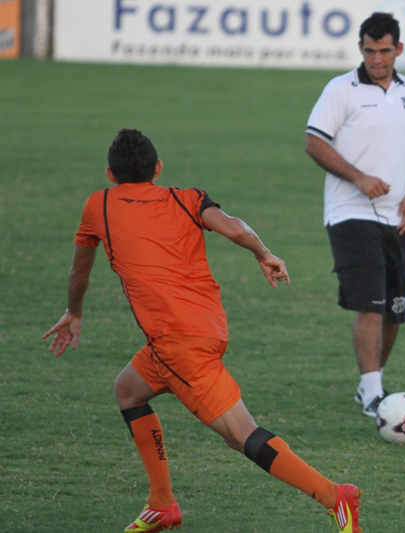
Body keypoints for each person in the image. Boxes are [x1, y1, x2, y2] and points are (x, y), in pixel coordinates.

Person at [42, 129, 362, 533]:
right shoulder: (186, 197)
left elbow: (78, 270)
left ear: (109, 174)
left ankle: (336, 497)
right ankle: (160, 503)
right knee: (128, 390)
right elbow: (234, 227)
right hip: (203, 329)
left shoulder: (98, 205)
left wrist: (74, 312)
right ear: (158, 169)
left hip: (179, 344)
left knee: (240, 435)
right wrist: (264, 254)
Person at [305, 12, 405, 417]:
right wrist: (357, 177)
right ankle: (374, 393)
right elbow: (314, 142)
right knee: (370, 302)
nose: (377, 59)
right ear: (360, 48)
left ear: (399, 50)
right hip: (350, 212)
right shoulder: (341, 89)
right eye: (370, 51)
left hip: (398, 216)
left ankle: (369, 383)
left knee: (394, 309)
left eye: (385, 51)